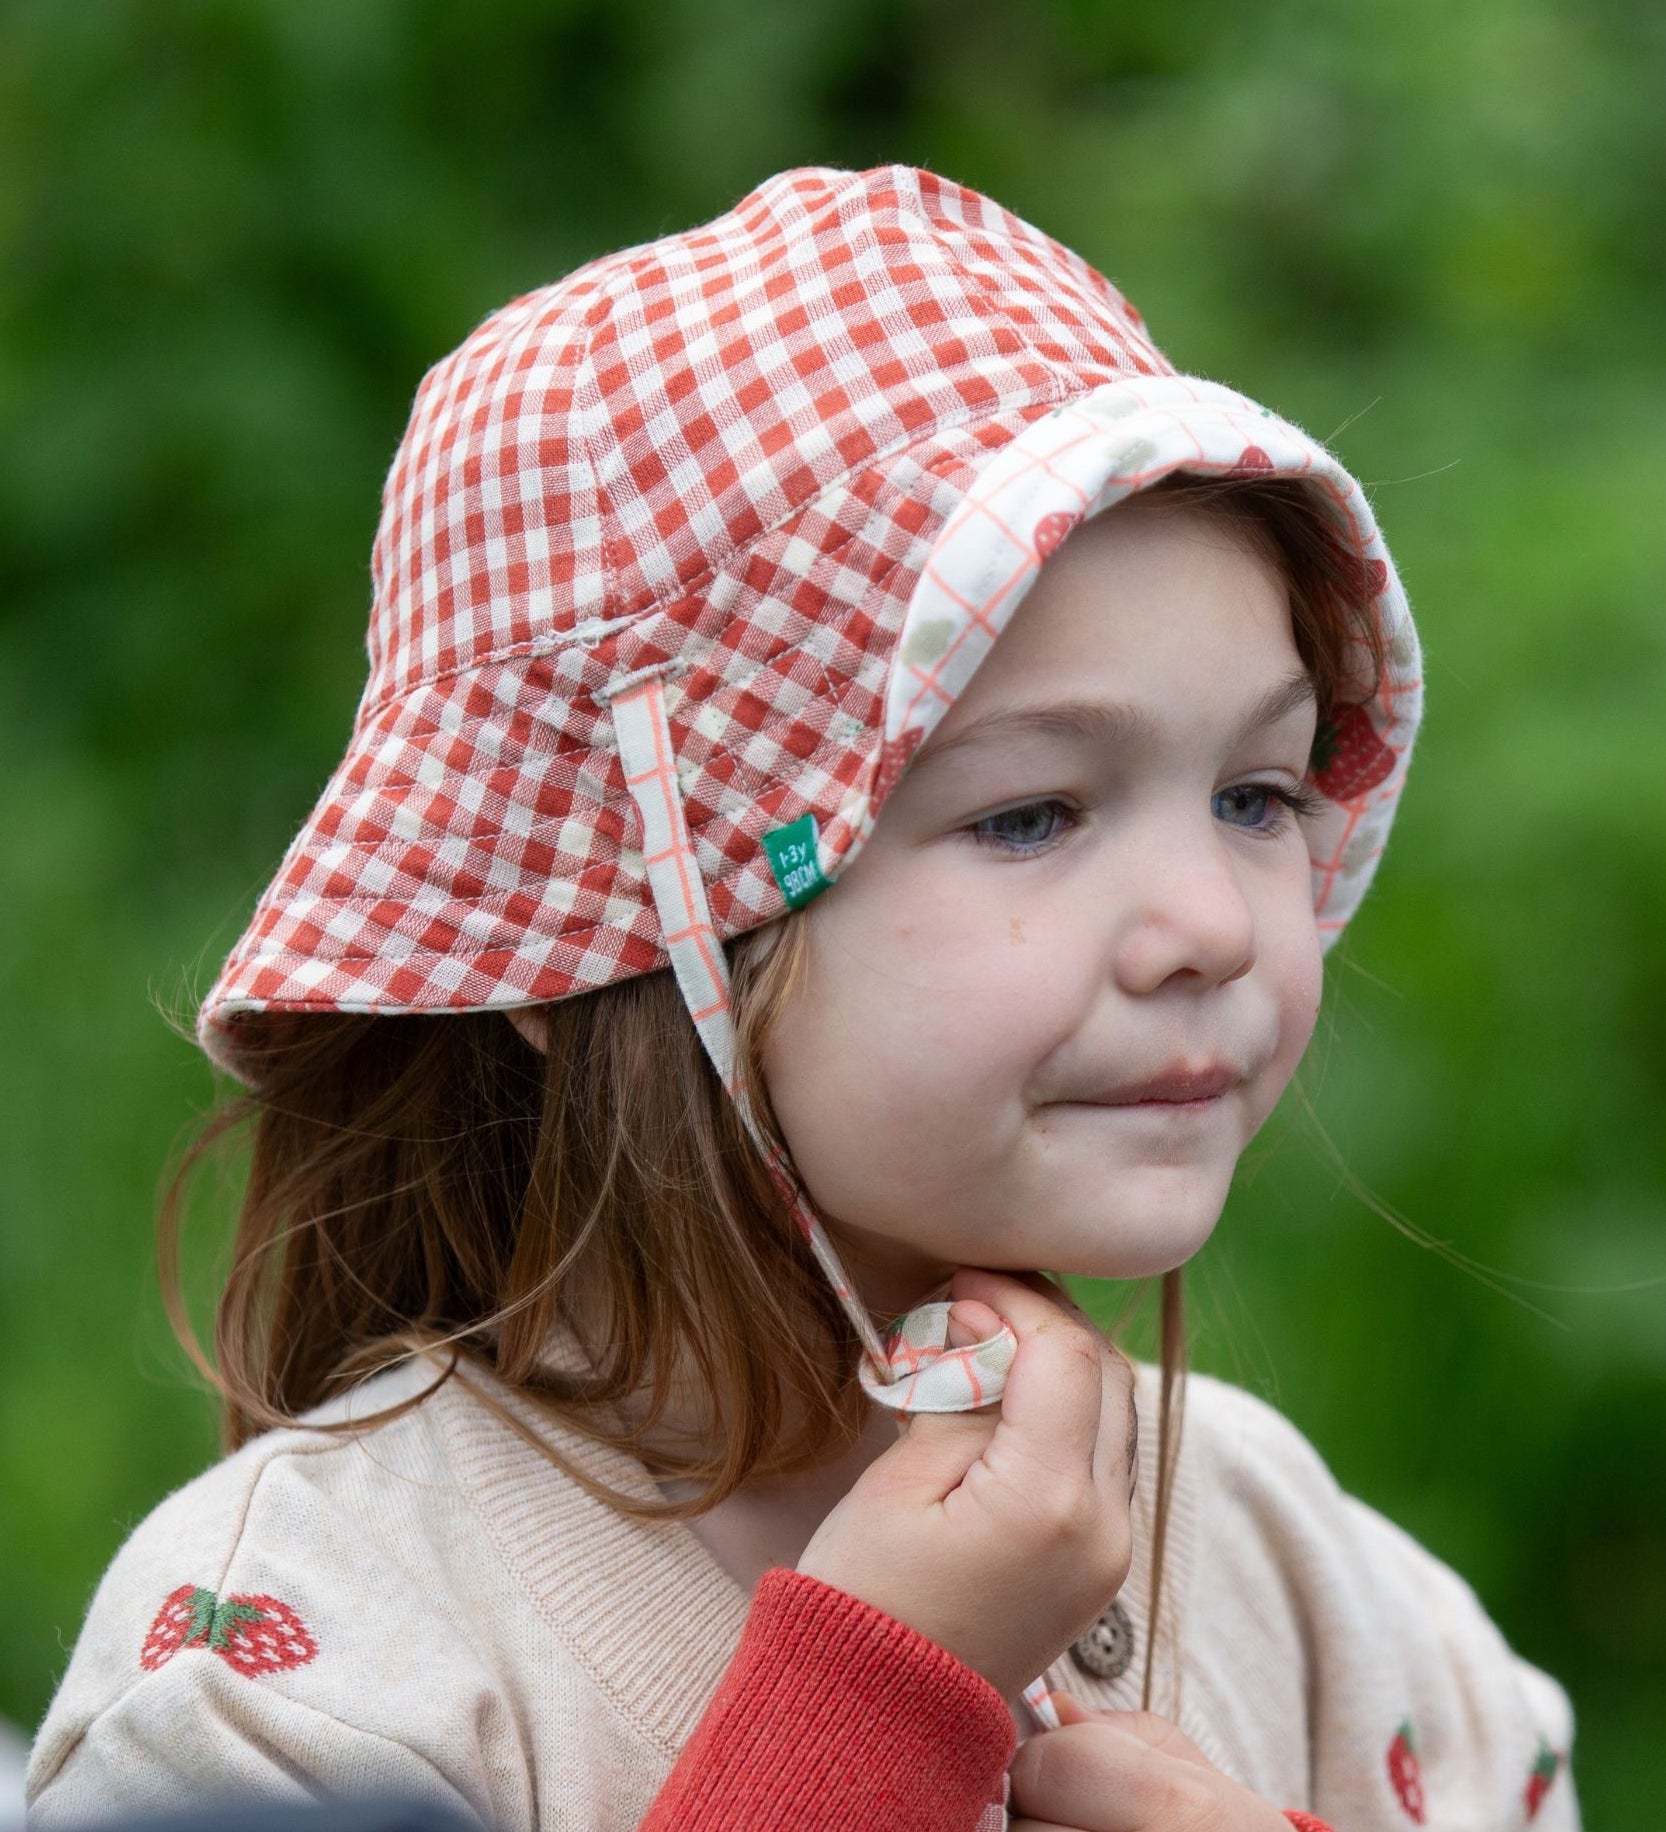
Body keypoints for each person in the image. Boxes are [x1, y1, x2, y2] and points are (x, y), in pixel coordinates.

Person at [27, 166, 1577, 1832]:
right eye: (1028, 814)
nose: (1208, 919)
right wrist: (861, 1720)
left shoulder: (1305, 1577)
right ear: (574, 917)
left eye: (1256, 795)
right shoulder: (309, 1674)